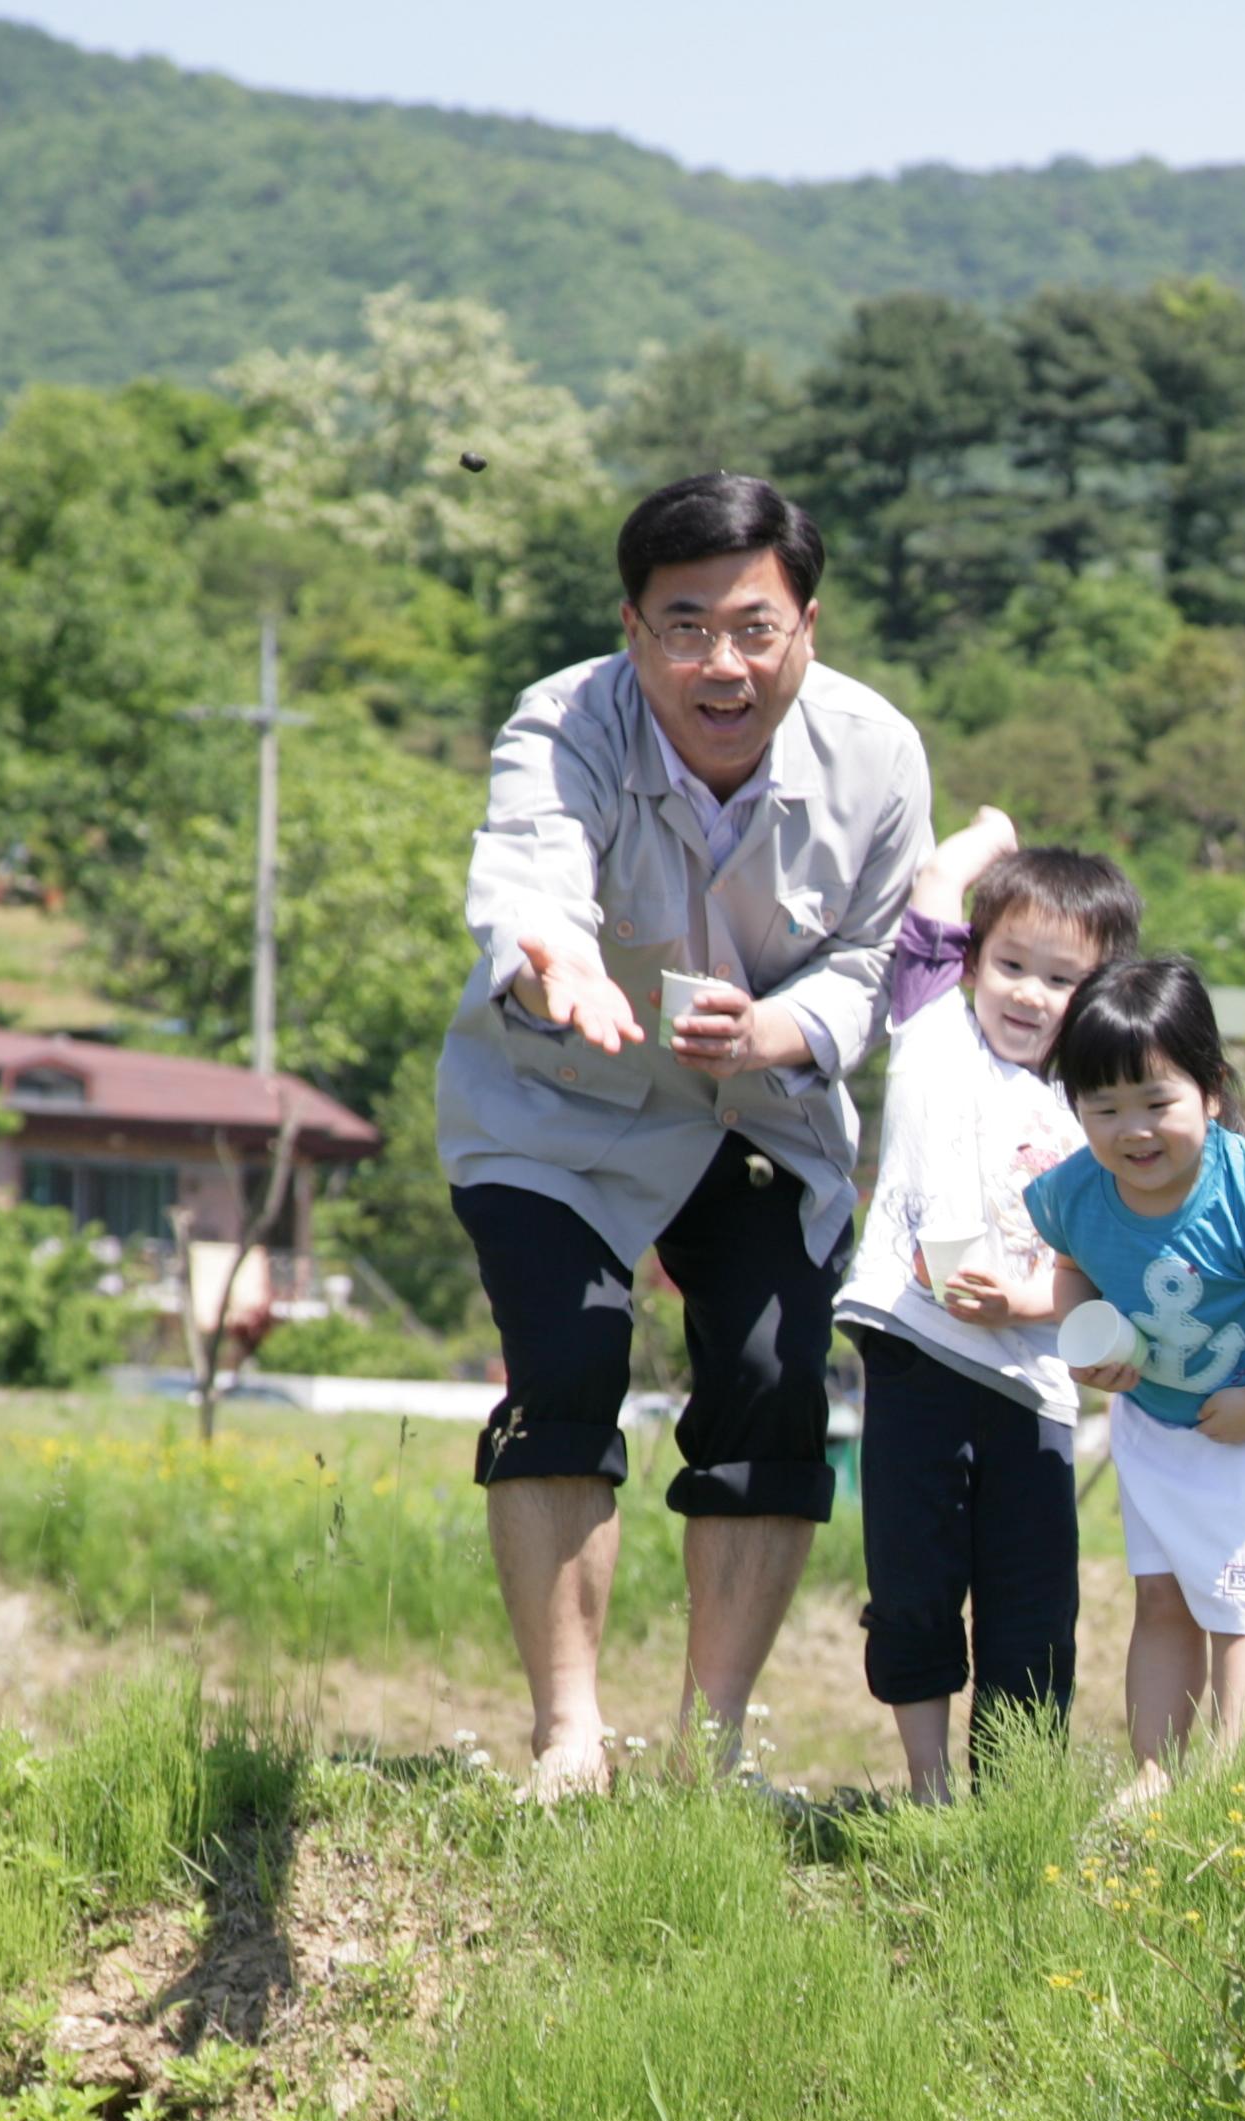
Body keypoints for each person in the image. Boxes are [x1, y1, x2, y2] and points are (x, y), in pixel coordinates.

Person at [443, 473, 934, 1799]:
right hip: (563, 1098)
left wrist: (780, 1032)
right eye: (685, 626)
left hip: (759, 1101)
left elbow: (879, 957)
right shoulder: (565, 720)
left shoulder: (879, 754)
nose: (723, 664)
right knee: (565, 1365)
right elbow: (528, 874)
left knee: (773, 1384)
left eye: (754, 628)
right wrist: (560, 965)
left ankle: (713, 1750)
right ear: (632, 627)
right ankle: (569, 1739)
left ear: (808, 628)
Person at [1022, 957, 1245, 1806]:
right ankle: (1155, 1777)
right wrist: (1083, 1337)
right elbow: (1070, 1269)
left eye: (1156, 1102)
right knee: (1163, 1600)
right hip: (1159, 1424)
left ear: (1211, 1090)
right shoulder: (1075, 1193)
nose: (1133, 1130)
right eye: (1103, 1108)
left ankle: (1229, 1786)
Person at [847, 815, 1136, 1802]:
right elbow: (932, 885)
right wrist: (991, 839)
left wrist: (1020, 1299)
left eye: (1062, 981)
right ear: (971, 963)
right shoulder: (931, 1025)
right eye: (1011, 963)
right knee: (915, 1588)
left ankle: (1014, 1812)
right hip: (915, 1350)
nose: (1030, 993)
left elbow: (1092, 1269)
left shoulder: (1098, 1109)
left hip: (1034, 1386)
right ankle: (929, 1790)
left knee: (1031, 1611)